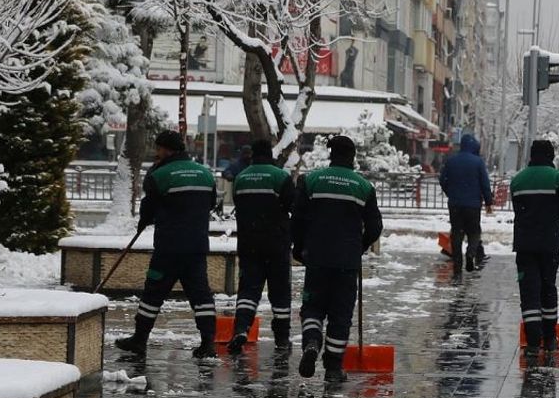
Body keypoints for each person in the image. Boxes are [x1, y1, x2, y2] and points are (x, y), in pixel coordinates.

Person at [114, 130, 219, 357]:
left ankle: (140, 339)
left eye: (158, 148)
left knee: (153, 293)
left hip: (168, 247)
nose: (156, 152)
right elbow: (211, 204)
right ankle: (208, 343)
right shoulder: (206, 174)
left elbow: (148, 209)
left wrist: (145, 222)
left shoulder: (159, 175)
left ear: (166, 149)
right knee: (201, 295)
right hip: (196, 247)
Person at [291, 135, 384, 383]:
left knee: (312, 307)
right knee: (341, 313)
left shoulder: (311, 181)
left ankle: (312, 341)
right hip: (346, 261)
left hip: (317, 258)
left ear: (331, 154)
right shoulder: (363, 187)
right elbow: (375, 227)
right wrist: (360, 246)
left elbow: (298, 218)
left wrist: (299, 247)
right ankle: (333, 367)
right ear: (352, 157)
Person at [510, 140, 559, 356]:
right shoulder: (558, 179)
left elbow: (518, 209)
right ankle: (549, 339)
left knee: (529, 292)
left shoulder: (518, 180)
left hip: (525, 244)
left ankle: (532, 341)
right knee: (548, 288)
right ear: (551, 155)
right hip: (550, 243)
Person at [229, 139, 295, 355]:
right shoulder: (280, 176)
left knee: (248, 290)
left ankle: (240, 329)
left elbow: (238, 204)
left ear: (252, 155)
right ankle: (282, 339)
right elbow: (292, 205)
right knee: (280, 293)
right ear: (270, 154)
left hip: (249, 244)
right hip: (276, 244)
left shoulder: (241, 178)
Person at [439, 133, 493, 274]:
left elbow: (442, 179)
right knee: (474, 232)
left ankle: (458, 265)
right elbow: (485, 184)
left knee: (456, 233)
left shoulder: (451, 161)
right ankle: (470, 253)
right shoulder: (478, 162)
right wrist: (488, 202)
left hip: (455, 204)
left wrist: (450, 192)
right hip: (473, 205)